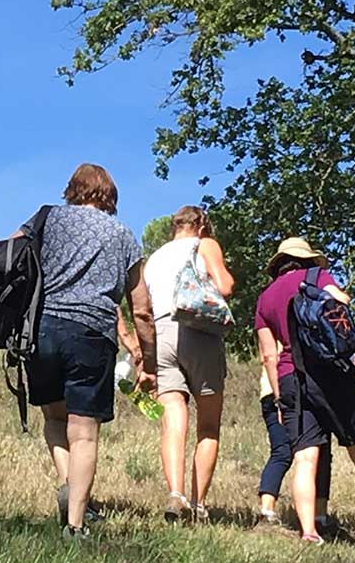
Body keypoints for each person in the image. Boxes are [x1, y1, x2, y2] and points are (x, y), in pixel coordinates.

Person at [22, 163, 145, 538]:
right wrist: (147, 356)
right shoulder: (123, 236)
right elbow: (140, 306)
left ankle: (67, 483)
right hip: (92, 335)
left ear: (73, 190)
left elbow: (7, 252)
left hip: (43, 330)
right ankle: (75, 523)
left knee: (55, 421)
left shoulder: (47, 219)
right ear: (109, 196)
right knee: (85, 433)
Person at [253, 238, 355, 547]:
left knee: (304, 457)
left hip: (291, 378)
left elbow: (268, 356)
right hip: (333, 374)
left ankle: (309, 533)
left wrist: (278, 396)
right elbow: (340, 302)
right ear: (306, 259)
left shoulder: (264, 299)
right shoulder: (317, 277)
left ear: (278, 265)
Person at [137, 206, 233, 521]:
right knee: (208, 425)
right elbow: (225, 286)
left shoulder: (153, 259)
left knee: (173, 422)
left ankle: (176, 495)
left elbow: (144, 310)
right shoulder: (204, 245)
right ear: (202, 226)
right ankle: (199, 503)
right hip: (200, 331)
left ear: (174, 227)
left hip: (162, 335)